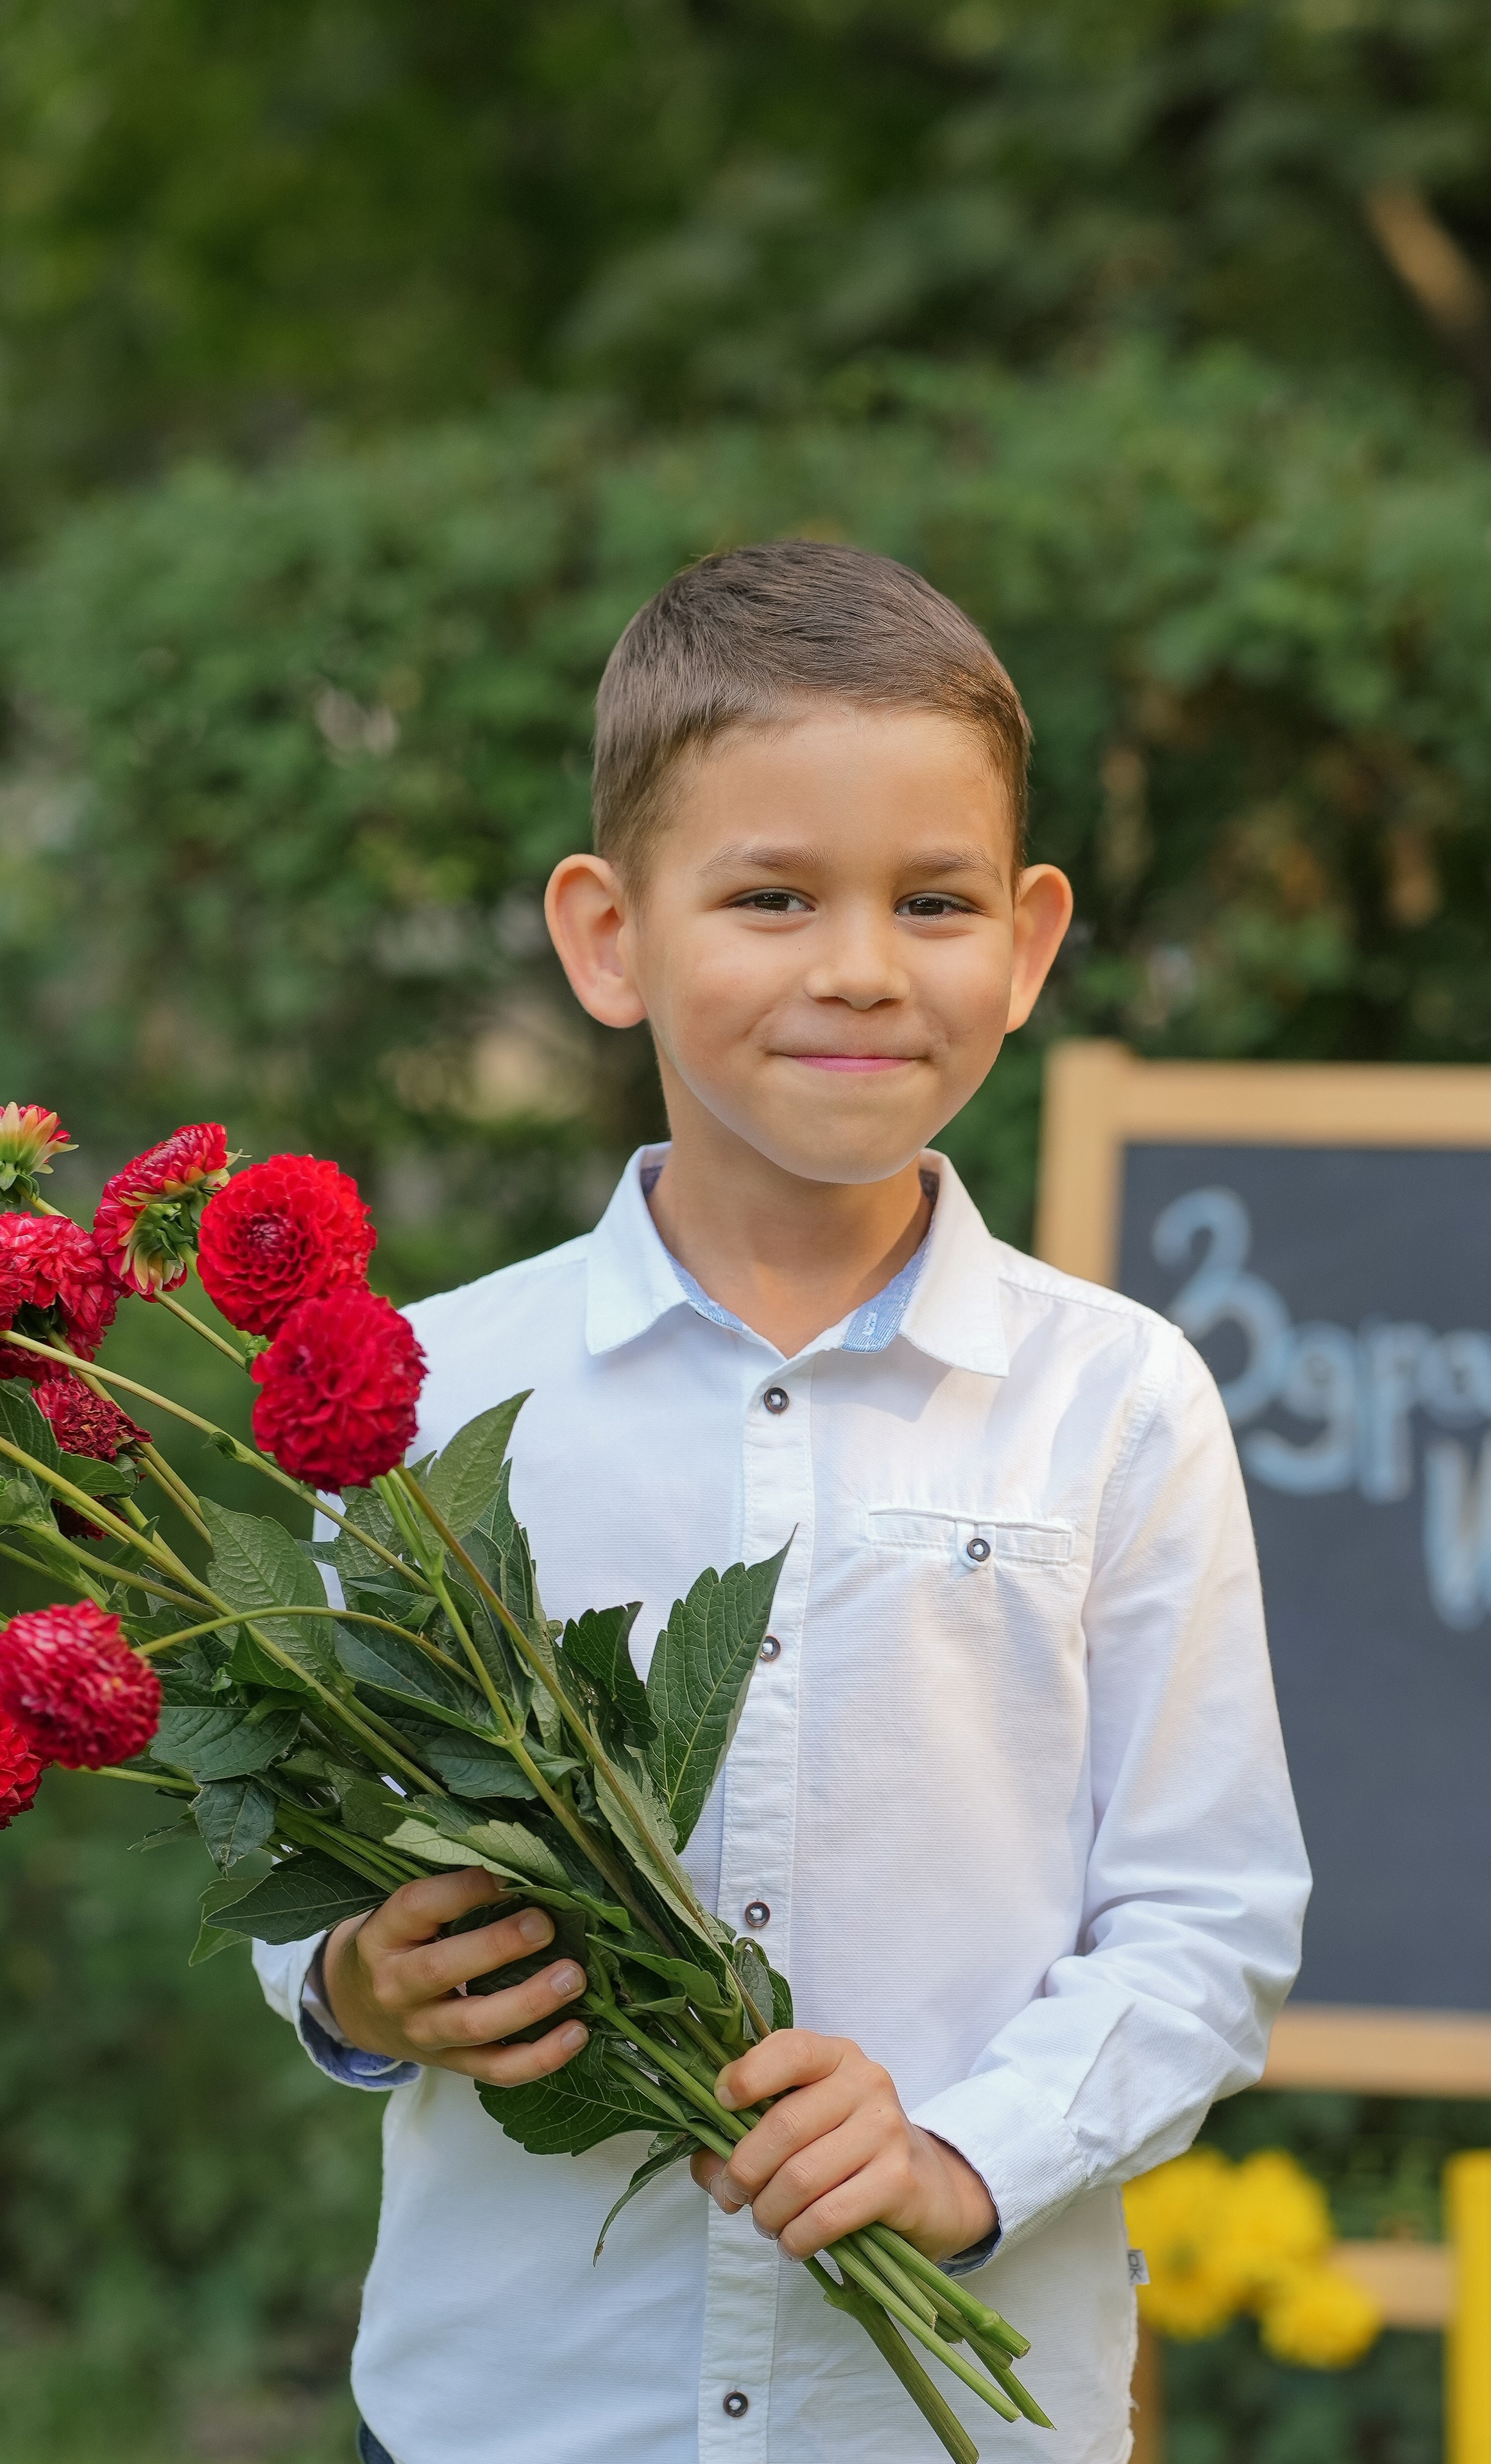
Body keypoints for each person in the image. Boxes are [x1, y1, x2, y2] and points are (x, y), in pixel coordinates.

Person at [253, 541, 1308, 2464]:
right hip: (528, 2416)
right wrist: (351, 1976)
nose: (859, 966)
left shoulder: (1119, 1402)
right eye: (769, 896)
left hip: (956, 2424)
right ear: (608, 935)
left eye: (933, 901)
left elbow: (1205, 1926)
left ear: (1031, 937)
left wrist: (958, 2149)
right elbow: (313, 1820)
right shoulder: (427, 1397)